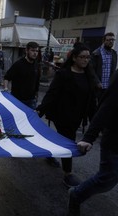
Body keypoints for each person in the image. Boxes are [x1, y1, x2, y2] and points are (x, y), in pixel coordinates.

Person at [36, 45, 97, 188]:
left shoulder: (89, 75)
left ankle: (49, 153)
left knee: (62, 138)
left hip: (78, 116)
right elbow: (52, 94)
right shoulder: (63, 74)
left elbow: (91, 98)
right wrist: (40, 110)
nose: (85, 60)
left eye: (88, 57)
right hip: (62, 115)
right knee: (69, 140)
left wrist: (95, 119)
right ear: (74, 58)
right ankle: (68, 174)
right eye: (82, 57)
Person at [67, 72, 118, 216]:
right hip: (115, 140)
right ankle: (77, 194)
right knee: (107, 178)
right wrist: (89, 137)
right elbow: (107, 106)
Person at [3, 41, 40, 109]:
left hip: (31, 100)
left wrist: (36, 95)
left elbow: (37, 81)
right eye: (32, 50)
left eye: (37, 51)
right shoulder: (19, 64)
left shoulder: (36, 65)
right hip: (18, 100)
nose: (35, 53)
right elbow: (7, 77)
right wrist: (6, 89)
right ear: (26, 51)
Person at [91, 32, 117, 102]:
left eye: (112, 40)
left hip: (108, 87)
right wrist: (97, 82)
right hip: (98, 87)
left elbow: (113, 70)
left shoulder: (114, 54)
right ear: (103, 41)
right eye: (108, 40)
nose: (111, 42)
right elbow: (91, 70)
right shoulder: (96, 53)